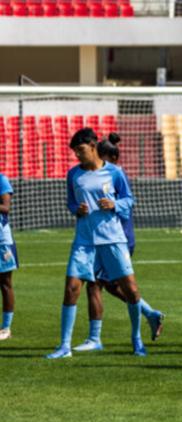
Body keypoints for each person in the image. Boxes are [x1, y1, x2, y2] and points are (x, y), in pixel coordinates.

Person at [47, 128, 150, 359]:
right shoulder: (73, 174)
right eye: (75, 151)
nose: (77, 155)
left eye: (80, 150)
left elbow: (129, 200)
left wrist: (115, 205)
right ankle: (64, 346)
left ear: (93, 146)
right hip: (84, 241)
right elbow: (71, 203)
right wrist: (77, 209)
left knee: (131, 290)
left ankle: (137, 339)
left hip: (112, 239)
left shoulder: (115, 172)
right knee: (72, 289)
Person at [72, 133, 165, 352]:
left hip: (117, 238)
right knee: (105, 285)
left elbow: (127, 204)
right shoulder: (92, 175)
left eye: (102, 156)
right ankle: (147, 315)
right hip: (104, 237)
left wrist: (113, 205)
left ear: (111, 157)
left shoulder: (113, 174)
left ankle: (110, 335)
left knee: (109, 285)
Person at [0, 171, 17, 341]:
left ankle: (6, 328)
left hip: (1, 241)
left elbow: (6, 208)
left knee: (5, 283)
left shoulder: (1, 179)